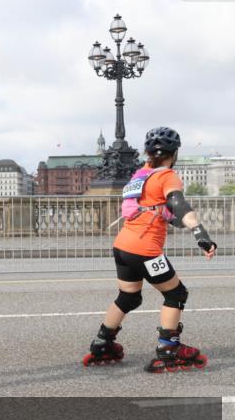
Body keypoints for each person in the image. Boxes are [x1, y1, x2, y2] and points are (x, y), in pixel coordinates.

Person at [85, 127, 218, 371]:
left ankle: (102, 343)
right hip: (145, 249)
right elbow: (178, 204)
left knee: (129, 296)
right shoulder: (167, 176)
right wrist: (202, 235)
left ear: (147, 153)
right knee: (176, 294)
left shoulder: (140, 175)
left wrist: (178, 220)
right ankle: (169, 347)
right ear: (174, 153)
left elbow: (162, 212)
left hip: (122, 245)